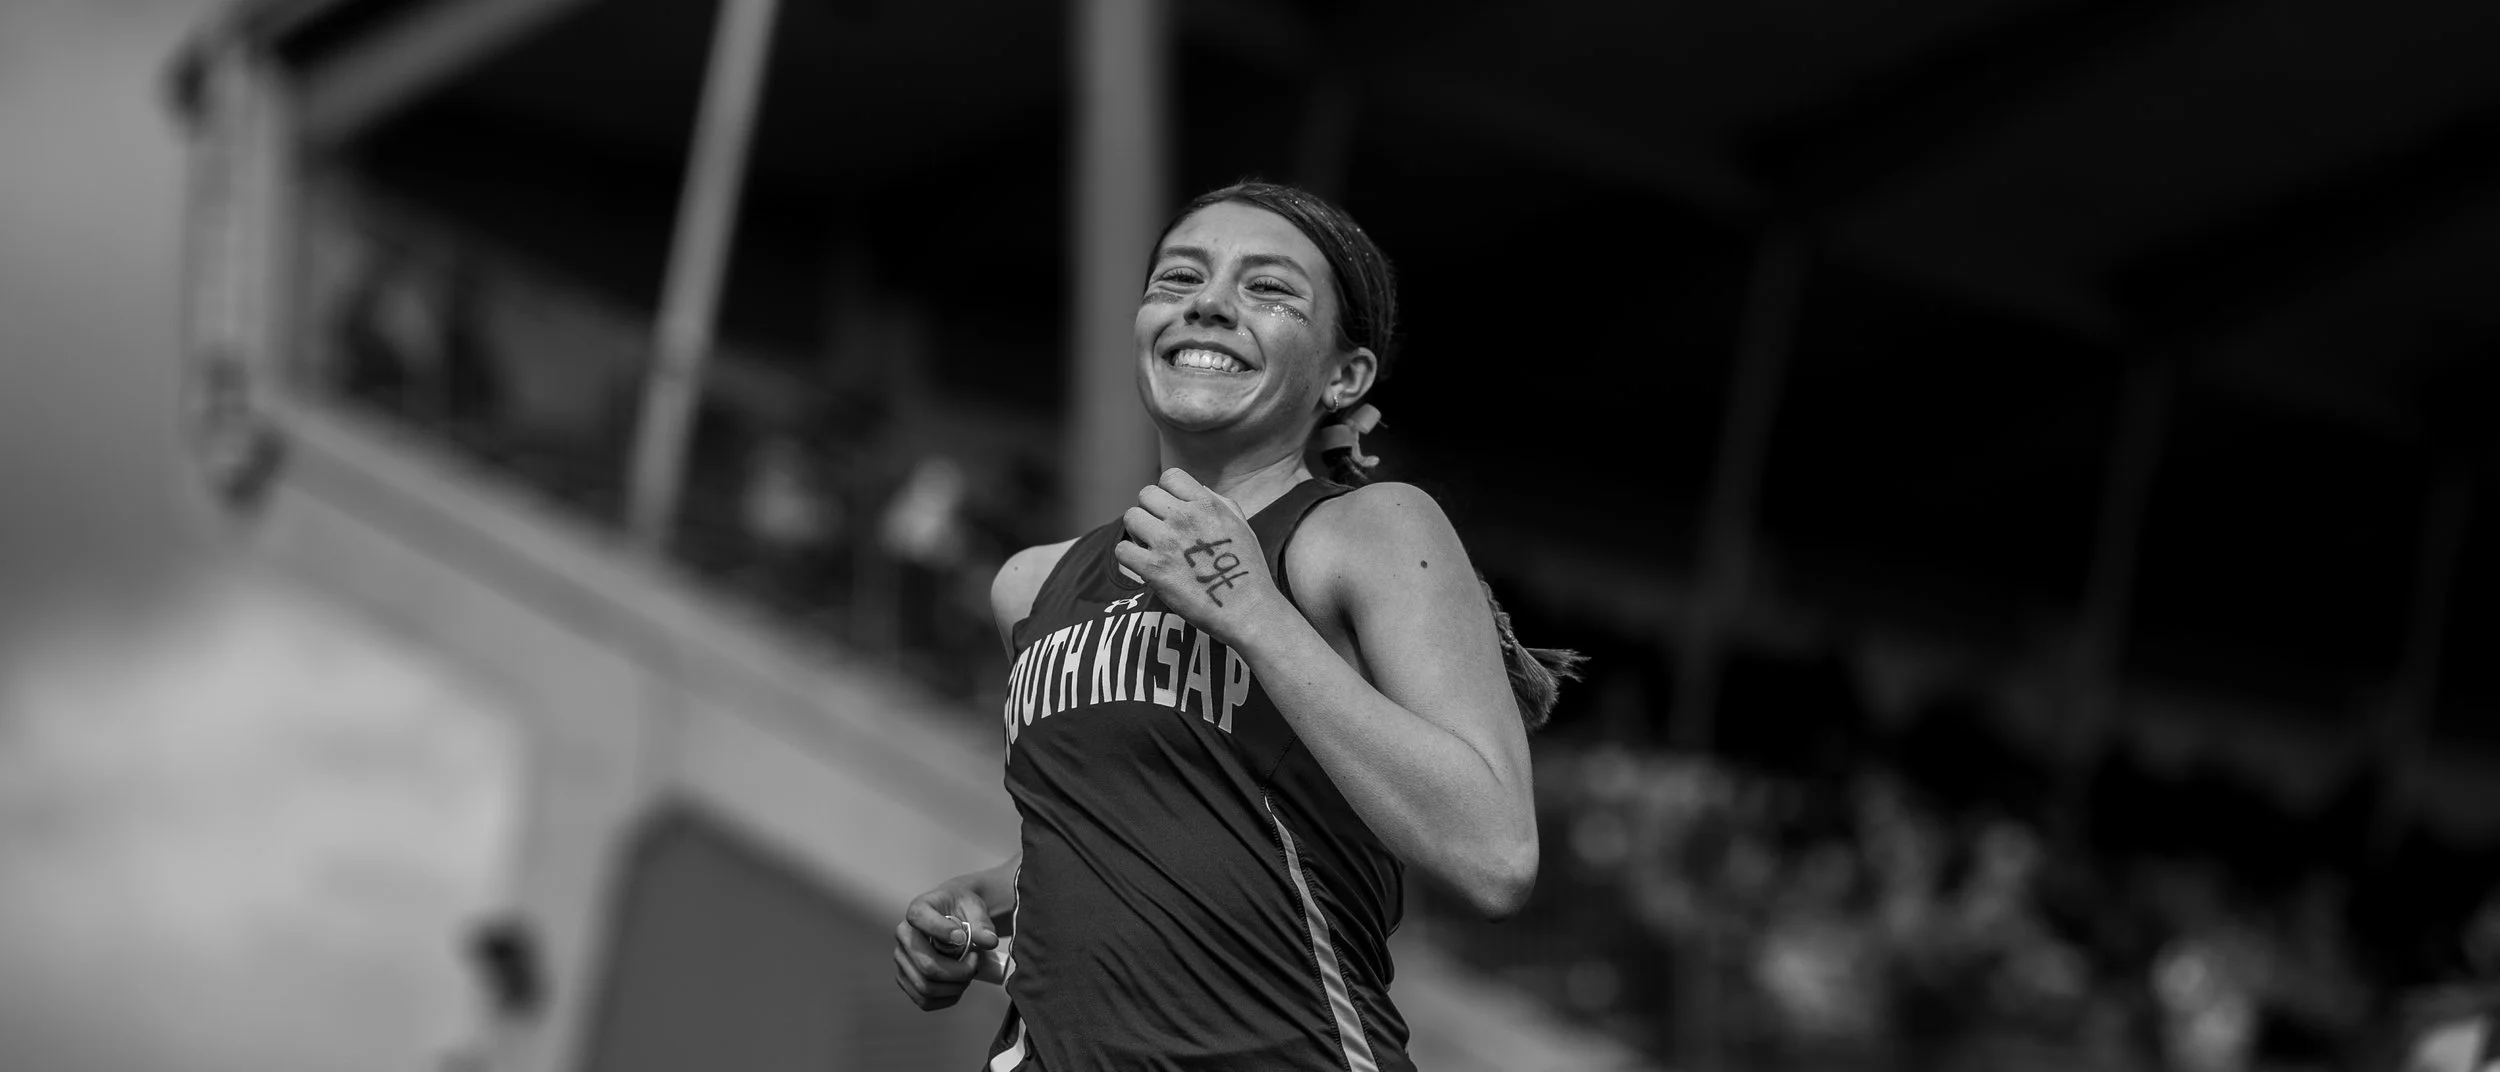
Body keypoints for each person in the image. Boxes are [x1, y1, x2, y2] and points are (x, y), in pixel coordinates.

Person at [891, 180, 1582, 1070]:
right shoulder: (1032, 585)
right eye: (1179, 280)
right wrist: (986, 900)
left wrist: (1250, 611)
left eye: (1269, 290)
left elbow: (1494, 853)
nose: (1209, 305)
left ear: (1345, 377)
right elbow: (1153, 823)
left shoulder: (1370, 531)